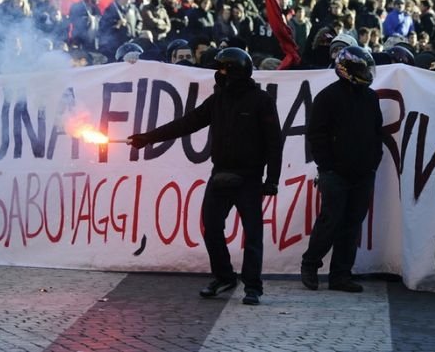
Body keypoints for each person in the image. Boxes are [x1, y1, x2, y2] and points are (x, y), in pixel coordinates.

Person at [127, 48, 282, 305]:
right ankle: (224, 277)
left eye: (222, 69)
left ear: (234, 71)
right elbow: (188, 122)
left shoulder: (261, 101)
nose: (217, 74)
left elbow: (274, 143)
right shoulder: (218, 99)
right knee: (211, 228)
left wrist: (272, 180)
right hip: (220, 175)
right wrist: (148, 138)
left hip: (249, 178)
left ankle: (253, 286)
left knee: (253, 234)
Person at [300, 45, 383, 293]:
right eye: (362, 68)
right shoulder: (328, 97)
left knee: (352, 224)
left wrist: (372, 163)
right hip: (334, 174)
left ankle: (340, 275)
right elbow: (316, 134)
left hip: (363, 173)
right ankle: (310, 263)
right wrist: (327, 166)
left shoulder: (371, 97)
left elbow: (376, 132)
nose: (368, 73)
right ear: (348, 70)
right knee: (330, 221)